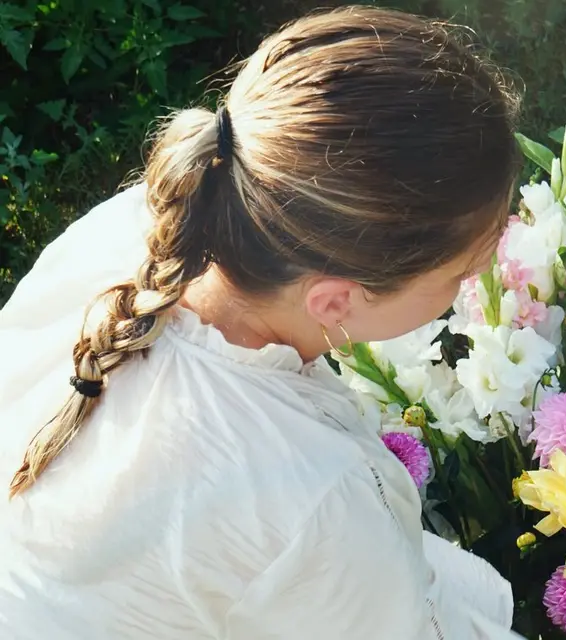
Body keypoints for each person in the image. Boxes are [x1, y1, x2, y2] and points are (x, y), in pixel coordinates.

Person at [0, 6, 524, 639]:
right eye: (459, 275)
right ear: (333, 302)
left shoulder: (141, 225)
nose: (478, 276)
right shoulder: (317, 500)